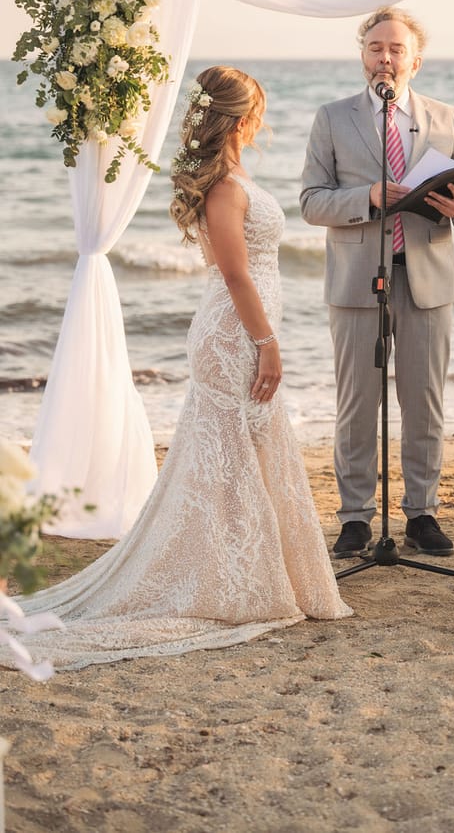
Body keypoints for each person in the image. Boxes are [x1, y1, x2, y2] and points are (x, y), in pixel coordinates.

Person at [1, 66, 350, 673]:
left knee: (238, 455)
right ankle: (230, 579)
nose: (260, 120)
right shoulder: (225, 187)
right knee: (227, 457)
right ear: (242, 118)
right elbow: (235, 274)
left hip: (239, 329)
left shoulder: (231, 177)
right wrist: (267, 342)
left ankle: (244, 567)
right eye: (257, 111)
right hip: (233, 335)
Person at [300, 6, 454, 558]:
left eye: (396, 49)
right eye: (375, 47)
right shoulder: (332, 118)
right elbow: (311, 202)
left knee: (424, 403)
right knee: (357, 404)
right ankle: (355, 518)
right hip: (358, 281)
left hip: (428, 279)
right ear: (363, 55)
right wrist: (368, 197)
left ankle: (422, 514)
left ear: (415, 61)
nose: (385, 57)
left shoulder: (447, 118)